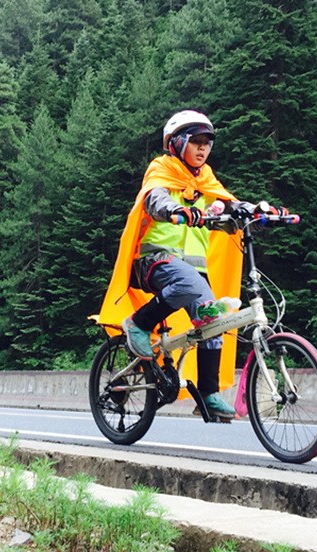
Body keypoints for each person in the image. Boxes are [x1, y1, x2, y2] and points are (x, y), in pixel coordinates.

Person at [98, 110, 244, 420]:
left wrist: (256, 210)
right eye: (196, 141)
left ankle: (208, 395)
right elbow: (155, 200)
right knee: (189, 284)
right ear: (177, 143)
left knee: (213, 322)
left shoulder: (206, 179)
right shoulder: (162, 169)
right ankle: (138, 323)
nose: (203, 148)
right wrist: (175, 210)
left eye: (207, 142)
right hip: (153, 260)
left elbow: (229, 204)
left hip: (193, 270)